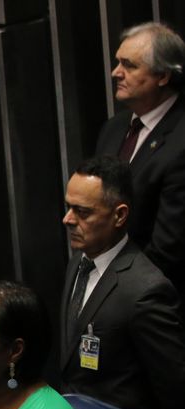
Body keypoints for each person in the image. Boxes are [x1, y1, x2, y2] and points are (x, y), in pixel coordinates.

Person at [59, 156, 185, 409]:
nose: (67, 219)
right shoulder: (78, 263)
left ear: (119, 215)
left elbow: (175, 392)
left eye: (83, 212)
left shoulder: (146, 291)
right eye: (69, 207)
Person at [96, 21, 185, 292]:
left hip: (157, 299)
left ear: (163, 75)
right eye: (117, 62)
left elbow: (170, 245)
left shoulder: (181, 136)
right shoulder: (114, 128)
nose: (115, 72)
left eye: (129, 65)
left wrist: (115, 293)